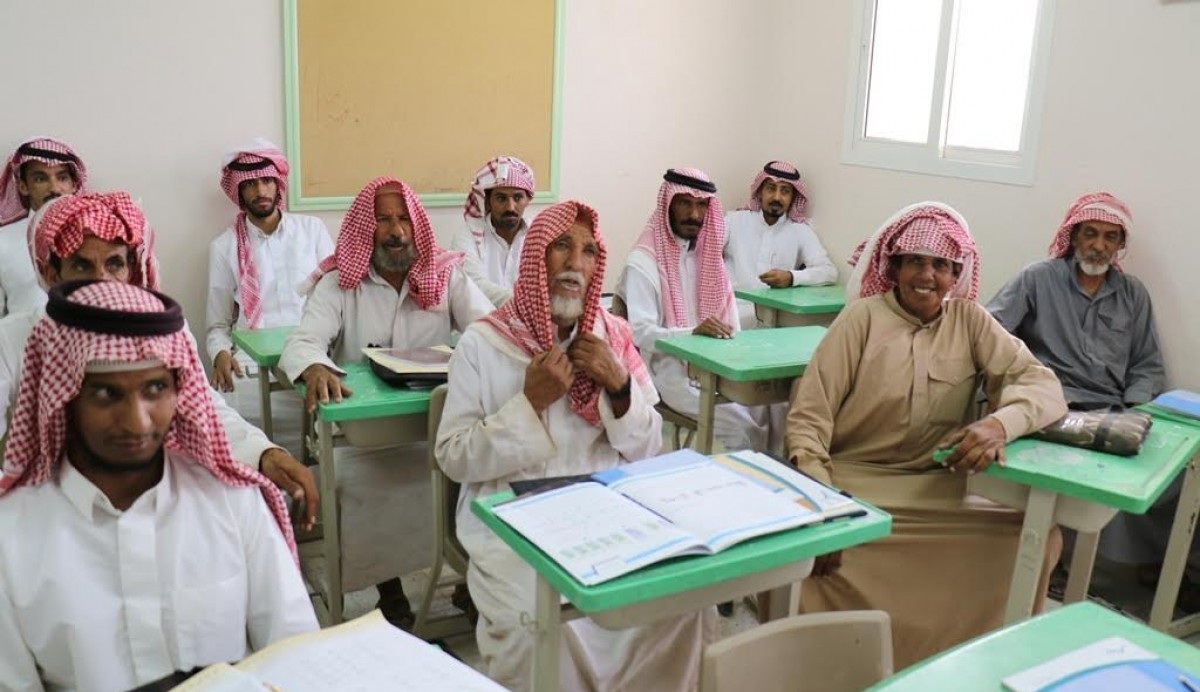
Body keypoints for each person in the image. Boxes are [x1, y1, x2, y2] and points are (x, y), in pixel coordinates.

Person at [437, 200, 713, 691]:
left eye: (589, 251)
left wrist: (619, 385)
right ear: (537, 258)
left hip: (605, 511)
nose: (575, 263)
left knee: (683, 602)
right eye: (562, 246)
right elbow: (455, 456)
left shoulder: (614, 338)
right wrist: (529, 403)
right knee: (538, 622)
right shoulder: (483, 343)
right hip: (511, 520)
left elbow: (649, 448)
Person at [0, 280, 316, 691]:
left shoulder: (232, 501)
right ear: (64, 397)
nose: (137, 421)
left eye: (155, 389)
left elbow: (296, 657)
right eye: (106, 394)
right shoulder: (11, 535)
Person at [788, 202, 1067, 667]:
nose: (927, 275)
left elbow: (1040, 383)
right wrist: (822, 506)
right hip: (854, 487)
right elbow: (808, 420)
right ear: (893, 267)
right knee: (812, 557)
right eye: (915, 261)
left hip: (938, 487)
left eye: (941, 265)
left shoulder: (971, 321)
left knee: (1038, 536)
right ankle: (851, 666)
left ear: (956, 273)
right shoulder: (861, 320)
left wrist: (1000, 423)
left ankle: (969, 663)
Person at [0, 192, 319, 530]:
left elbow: (205, 411)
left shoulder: (162, 329)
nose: (101, 282)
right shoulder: (13, 337)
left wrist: (263, 454)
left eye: (114, 264)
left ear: (131, 269)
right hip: (53, 512)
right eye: (81, 265)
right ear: (52, 272)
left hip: (155, 502)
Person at [280, 176, 492, 628]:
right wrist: (316, 366)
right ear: (366, 228)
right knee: (371, 487)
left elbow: (488, 329)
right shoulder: (340, 282)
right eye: (383, 220)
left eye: (403, 220)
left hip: (437, 425)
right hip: (367, 436)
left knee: (483, 476)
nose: (395, 231)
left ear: (417, 226)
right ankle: (389, 589)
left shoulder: (446, 274)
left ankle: (471, 582)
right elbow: (303, 342)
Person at [986, 192, 1180, 606]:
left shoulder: (1133, 294)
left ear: (1119, 245)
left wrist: (1134, 412)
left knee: (1173, 470)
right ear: (1073, 236)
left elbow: (1147, 364)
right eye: (1090, 234)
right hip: (1052, 404)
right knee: (1079, 468)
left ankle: (1159, 569)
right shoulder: (1038, 278)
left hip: (1113, 409)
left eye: (1110, 237)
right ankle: (1064, 569)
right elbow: (988, 334)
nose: (1099, 245)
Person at [619, 167, 775, 452]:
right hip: (667, 371)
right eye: (685, 203)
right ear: (668, 205)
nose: (694, 214)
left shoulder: (709, 256)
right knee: (745, 428)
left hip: (715, 366)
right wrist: (691, 334)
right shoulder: (643, 262)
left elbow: (729, 322)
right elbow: (640, 333)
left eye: (702, 205)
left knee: (773, 407)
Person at [206, 138, 333, 396]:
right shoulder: (224, 246)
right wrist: (220, 354)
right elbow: (217, 325)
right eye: (250, 184)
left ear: (278, 185)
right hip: (251, 361)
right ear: (239, 191)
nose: (260, 191)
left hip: (312, 351)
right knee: (226, 404)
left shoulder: (312, 231)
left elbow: (335, 301)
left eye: (266, 181)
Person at [724, 160, 837, 329]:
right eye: (771, 188)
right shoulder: (733, 221)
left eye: (785, 191)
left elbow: (829, 272)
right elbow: (702, 256)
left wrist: (791, 277)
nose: (777, 197)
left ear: (793, 198)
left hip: (770, 318)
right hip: (728, 310)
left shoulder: (800, 231)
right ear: (760, 192)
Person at [0, 136, 87, 318]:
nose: (54, 188)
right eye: (41, 179)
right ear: (23, 187)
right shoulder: (3, 241)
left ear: (73, 185)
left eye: (62, 177)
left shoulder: (95, 238)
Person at [450, 155, 536, 306]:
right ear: (487, 202)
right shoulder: (468, 234)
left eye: (517, 198)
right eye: (501, 199)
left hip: (528, 325)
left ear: (528, 200)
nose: (510, 207)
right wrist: (526, 305)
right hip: (481, 324)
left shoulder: (539, 236)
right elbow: (473, 285)